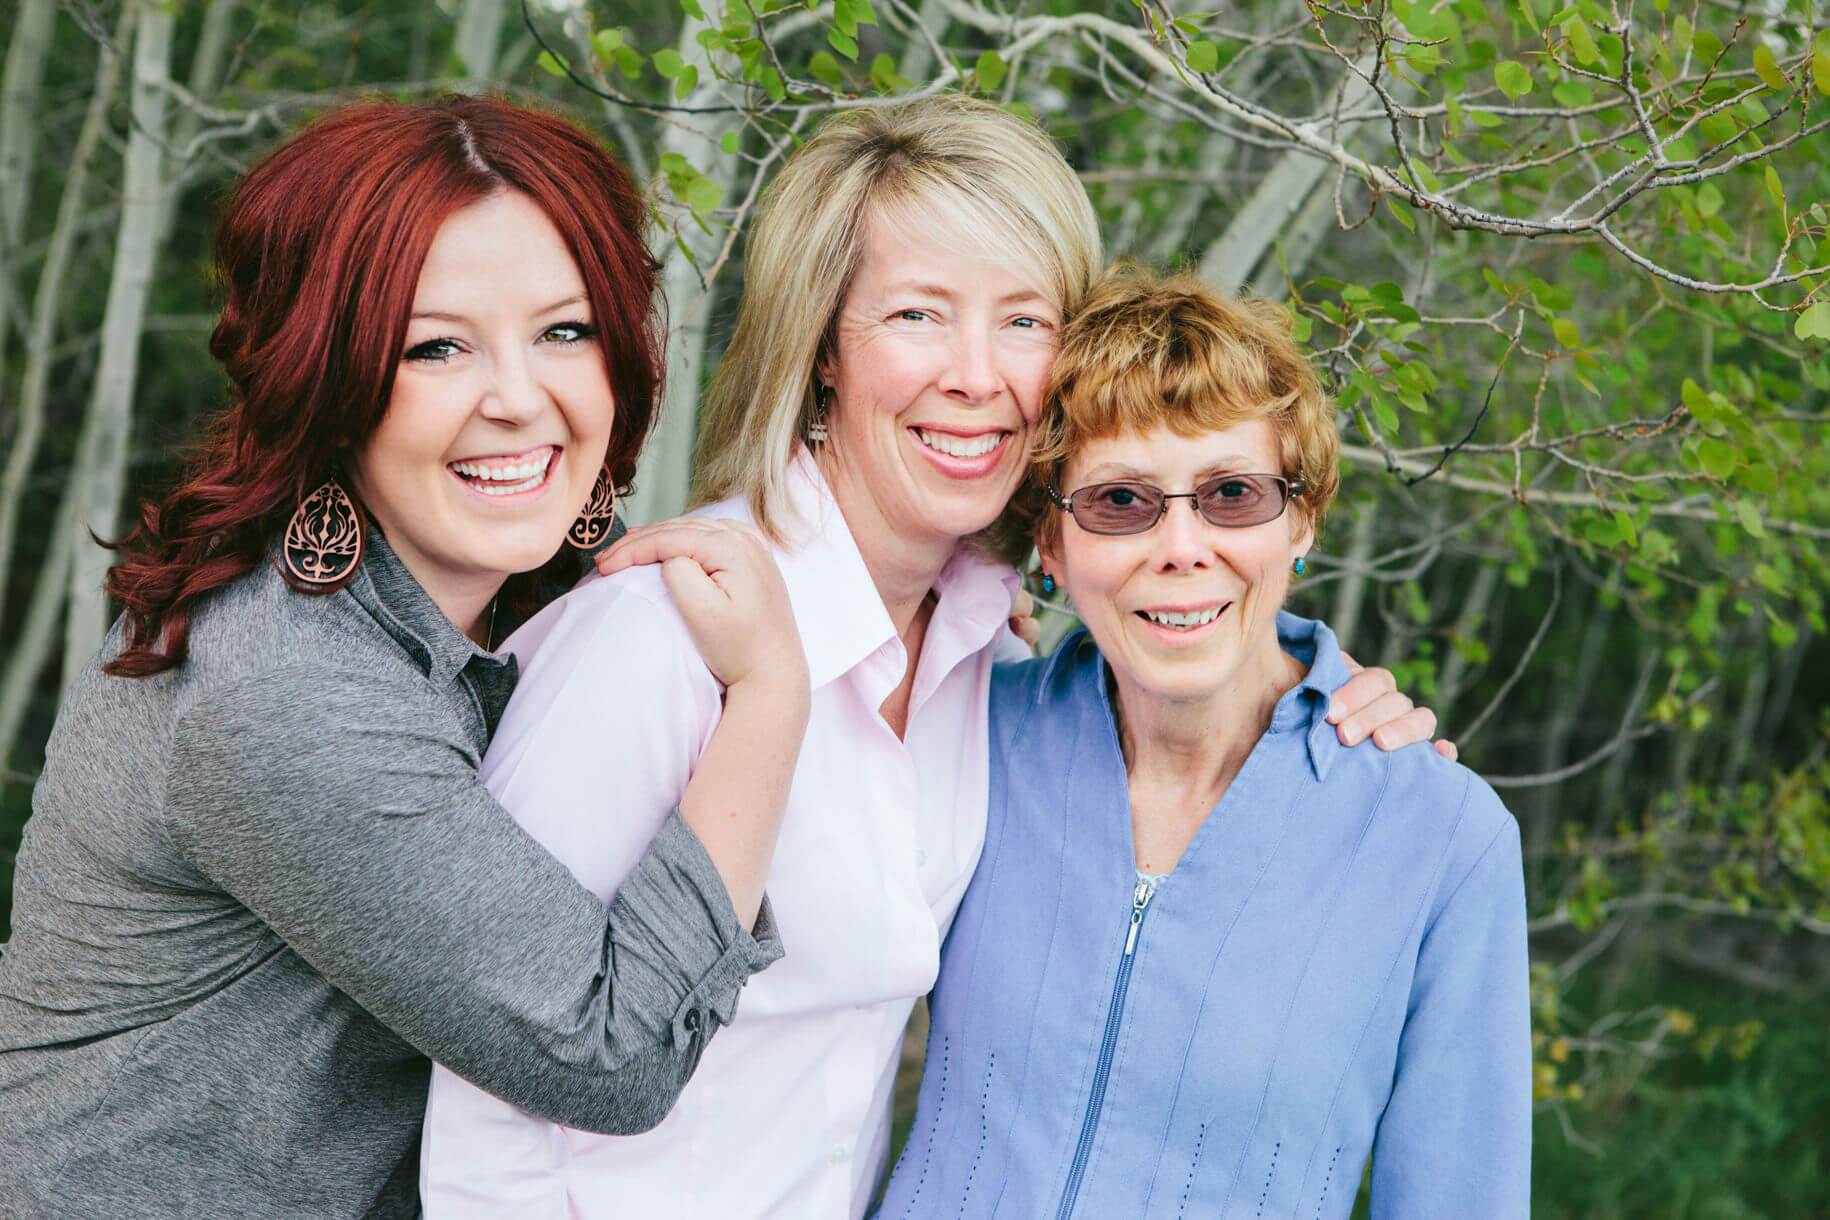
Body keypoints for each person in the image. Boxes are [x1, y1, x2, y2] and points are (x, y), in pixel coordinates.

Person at [421, 96, 1444, 1219]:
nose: (975, 372)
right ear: (820, 351)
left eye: (1023, 319)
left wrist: (1326, 704)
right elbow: (485, 1104)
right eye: (918, 313)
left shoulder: (984, 660)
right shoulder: (661, 633)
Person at [0, 96, 809, 1220]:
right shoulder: (285, 682)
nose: (519, 398)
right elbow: (608, 1052)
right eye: (437, 346)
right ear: (327, 378)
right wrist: (770, 693)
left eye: (564, 330)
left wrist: (947, 606)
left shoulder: (503, 585)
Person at [876, 267, 1531, 1220]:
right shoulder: (964, 728)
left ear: (1301, 517)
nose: (1182, 546)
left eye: (1231, 493)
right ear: (1050, 548)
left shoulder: (1441, 837)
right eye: (1119, 502)